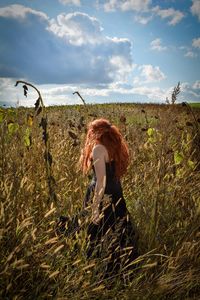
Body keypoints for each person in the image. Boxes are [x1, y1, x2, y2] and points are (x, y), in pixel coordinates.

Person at [79, 118, 139, 280]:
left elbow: (101, 181)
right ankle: (120, 269)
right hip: (116, 193)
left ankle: (100, 271)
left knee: (98, 231)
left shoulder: (98, 148)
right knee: (117, 230)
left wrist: (95, 208)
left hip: (102, 194)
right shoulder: (114, 146)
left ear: (96, 132)